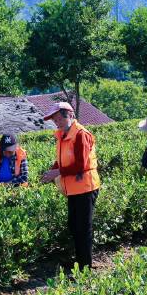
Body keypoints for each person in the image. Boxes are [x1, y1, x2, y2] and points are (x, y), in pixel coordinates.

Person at [40, 102, 100, 270]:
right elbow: (61, 160)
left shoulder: (81, 134)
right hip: (73, 188)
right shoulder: (62, 134)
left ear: (70, 116)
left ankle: (85, 266)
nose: (57, 122)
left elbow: (81, 165)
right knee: (74, 226)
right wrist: (52, 171)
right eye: (55, 120)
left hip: (86, 187)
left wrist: (57, 173)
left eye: (59, 118)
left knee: (83, 227)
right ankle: (79, 261)